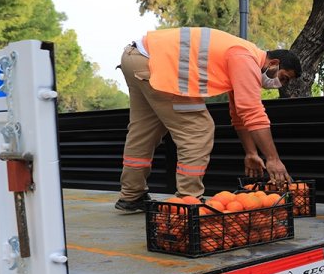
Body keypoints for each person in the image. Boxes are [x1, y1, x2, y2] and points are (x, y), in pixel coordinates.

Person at [114, 27, 300, 213]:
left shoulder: (243, 54)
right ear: (274, 63)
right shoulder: (246, 59)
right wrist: (273, 159)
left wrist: (251, 153)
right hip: (156, 64)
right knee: (198, 130)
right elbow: (253, 112)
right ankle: (189, 200)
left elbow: (239, 114)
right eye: (283, 78)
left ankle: (132, 196)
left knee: (144, 131)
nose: (279, 85)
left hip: (136, 58)